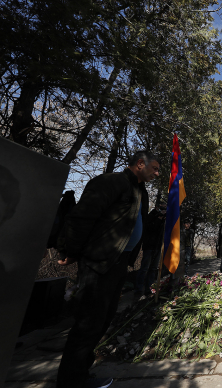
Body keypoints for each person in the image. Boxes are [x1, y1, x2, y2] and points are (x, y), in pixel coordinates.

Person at [56, 151, 160, 388]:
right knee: (88, 323)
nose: (156, 173)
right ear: (140, 164)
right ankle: (71, 381)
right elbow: (82, 217)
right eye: (154, 168)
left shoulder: (139, 191)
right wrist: (70, 250)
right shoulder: (112, 183)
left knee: (101, 321)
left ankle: (81, 374)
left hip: (118, 264)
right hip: (99, 262)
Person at [134, 203, 166, 296]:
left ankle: (150, 288)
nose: (163, 210)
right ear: (156, 208)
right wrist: (158, 219)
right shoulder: (151, 216)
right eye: (161, 208)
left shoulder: (163, 219)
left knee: (153, 269)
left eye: (164, 208)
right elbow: (150, 229)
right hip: (149, 247)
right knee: (144, 269)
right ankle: (138, 290)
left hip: (158, 247)